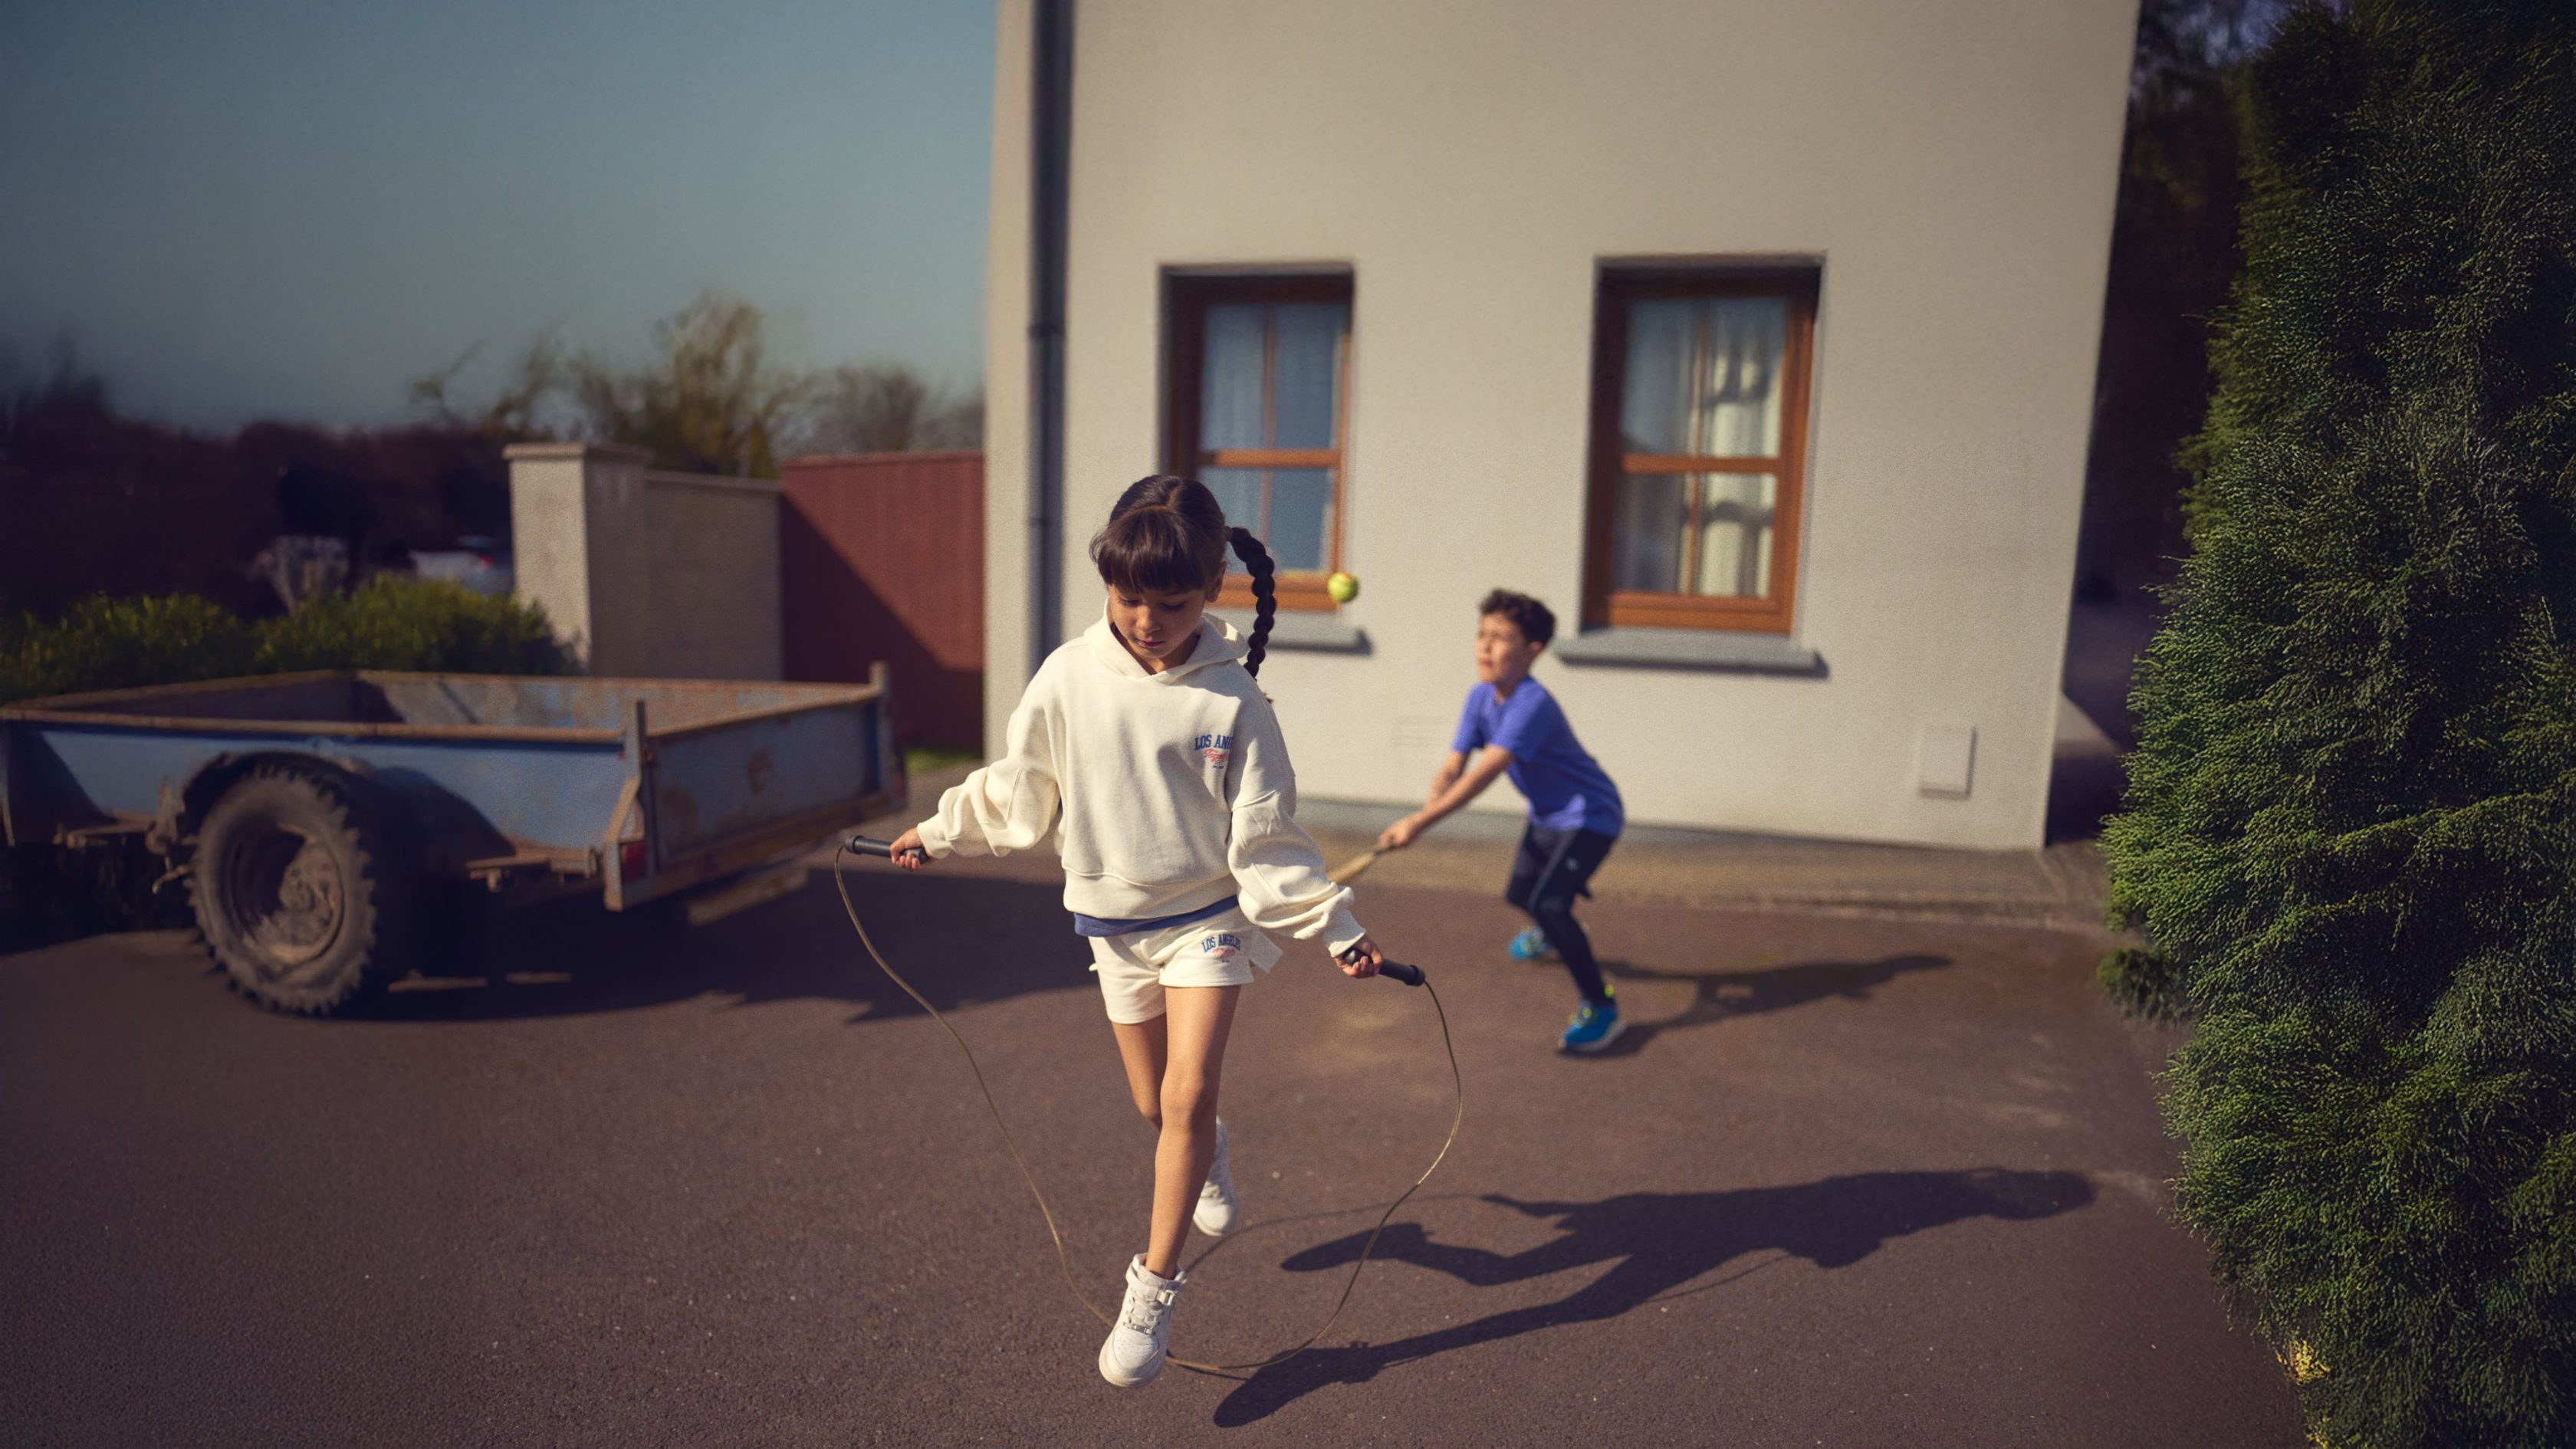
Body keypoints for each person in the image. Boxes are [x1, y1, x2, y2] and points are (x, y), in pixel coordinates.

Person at [886, 475, 1390, 1390]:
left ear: (1211, 593)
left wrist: (1337, 928)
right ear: (1107, 584)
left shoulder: (1236, 704)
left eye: (1172, 602)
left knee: (1189, 1095)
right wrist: (937, 830)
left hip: (1206, 921)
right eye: (1128, 599)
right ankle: (1206, 1150)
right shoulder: (1069, 676)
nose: (1148, 620)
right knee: (1156, 1107)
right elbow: (1019, 785)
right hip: (1114, 928)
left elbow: (1270, 841)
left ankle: (1151, 1289)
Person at [1375, 590, 1626, 1053]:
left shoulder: (1532, 704)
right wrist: (1434, 795)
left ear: (1533, 651)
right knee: (1520, 894)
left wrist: (1420, 823)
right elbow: (1455, 766)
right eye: (1482, 635)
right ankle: (1559, 932)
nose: (1485, 647)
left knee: (1551, 905)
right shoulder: (1480, 696)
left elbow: (1483, 776)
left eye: (1501, 638)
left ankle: (1602, 1005)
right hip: (1548, 814)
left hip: (1591, 815)